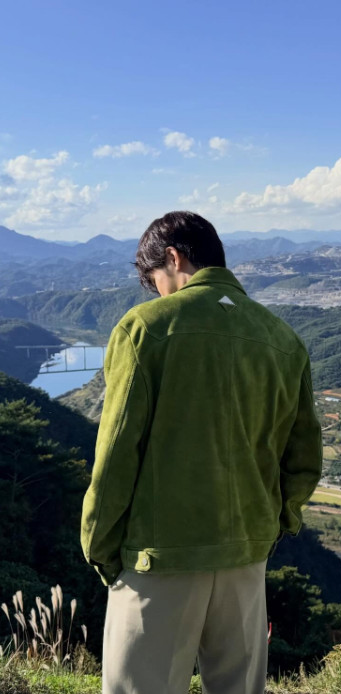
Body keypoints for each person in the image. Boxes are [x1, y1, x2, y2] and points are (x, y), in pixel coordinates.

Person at [80, 210, 323, 694]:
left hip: (158, 557)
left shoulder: (145, 329)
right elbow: (304, 460)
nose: (158, 294)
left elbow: (116, 455)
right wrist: (276, 526)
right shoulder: (283, 339)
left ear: (173, 257)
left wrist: (99, 546)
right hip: (247, 557)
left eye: (156, 282)